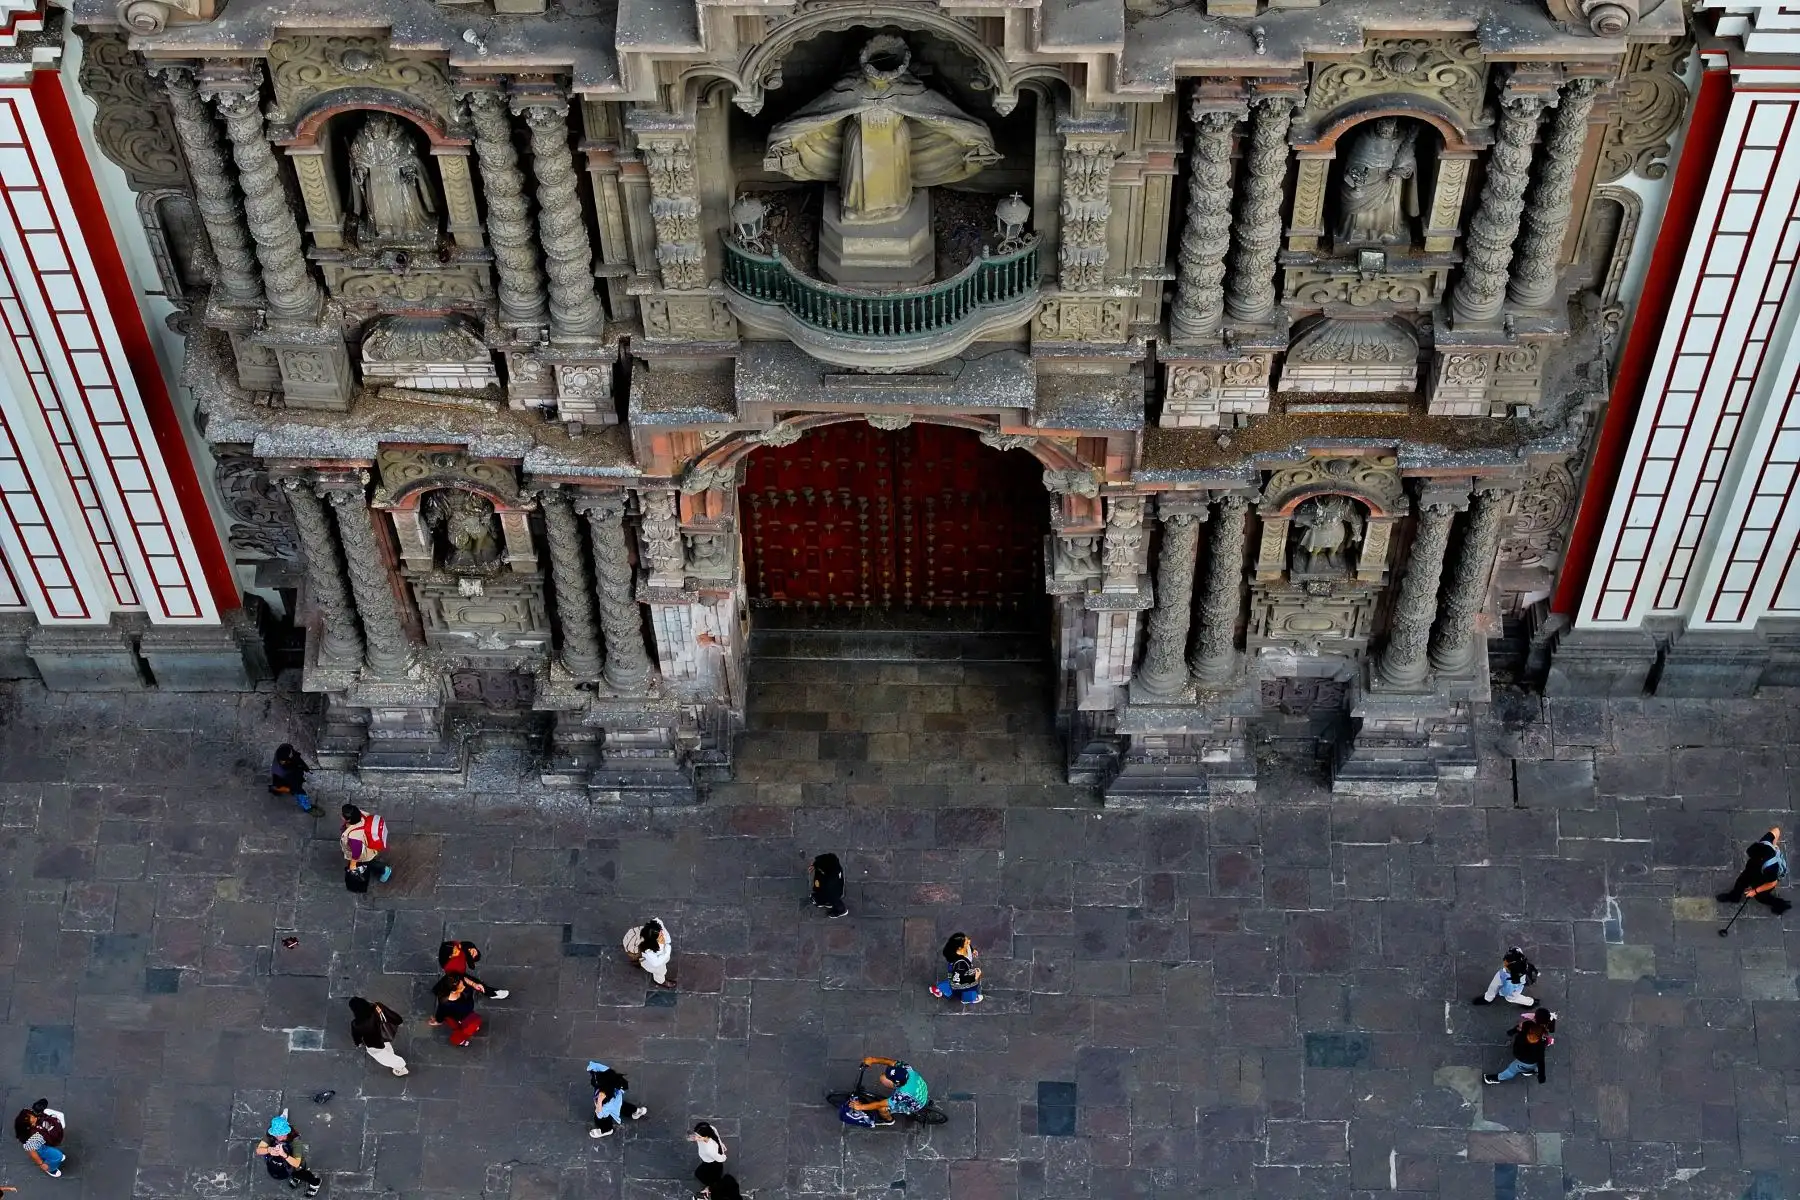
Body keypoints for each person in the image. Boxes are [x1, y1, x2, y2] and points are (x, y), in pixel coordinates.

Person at [1717, 827, 1791, 914]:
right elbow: (1777, 830)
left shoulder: (1771, 867)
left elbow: (1772, 883)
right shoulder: (1765, 842)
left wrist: (1754, 891)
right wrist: (1773, 845)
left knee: (1761, 897)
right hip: (1753, 869)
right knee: (1741, 881)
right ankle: (1734, 897)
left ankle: (1778, 904)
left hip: (1764, 877)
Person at [846, 1057, 929, 1126]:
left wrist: (860, 1107)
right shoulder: (906, 1068)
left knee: (882, 1109)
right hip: (918, 1089)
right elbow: (890, 1062)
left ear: (897, 1084)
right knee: (883, 1077)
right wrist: (873, 1060)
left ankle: (889, 1120)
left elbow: (879, 1104)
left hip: (916, 1104)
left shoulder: (901, 1094)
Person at [255, 1111, 322, 1196]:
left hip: (294, 1164)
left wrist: (284, 1155)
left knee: (301, 1174)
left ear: (286, 1132)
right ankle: (295, 1178)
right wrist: (269, 1150)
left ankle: (315, 1183)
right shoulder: (271, 1133)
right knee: (292, 1173)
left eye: (281, 1135)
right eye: (276, 1135)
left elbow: (296, 1163)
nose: (278, 1138)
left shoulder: (295, 1140)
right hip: (283, 1165)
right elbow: (259, 1150)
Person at [348, 996, 408, 1076]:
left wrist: (358, 1043)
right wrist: (398, 1020)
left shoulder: (356, 1024)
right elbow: (388, 1013)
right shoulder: (377, 1006)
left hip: (375, 1044)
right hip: (384, 1034)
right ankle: (393, 1056)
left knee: (384, 1058)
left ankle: (400, 1066)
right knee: (387, 1047)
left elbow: (357, 1037)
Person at [586, 1063, 648, 1138]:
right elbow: (604, 1069)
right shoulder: (613, 1083)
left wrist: (599, 1103)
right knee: (622, 1105)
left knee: (600, 1119)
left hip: (609, 1107)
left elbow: (600, 1113)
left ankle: (607, 1130)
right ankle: (636, 1111)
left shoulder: (605, 1104)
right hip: (617, 1102)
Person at [1484, 1018, 1550, 1085]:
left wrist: (1513, 1031)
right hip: (1532, 1062)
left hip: (1524, 1061)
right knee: (1533, 1066)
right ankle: (1530, 1071)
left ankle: (1495, 1078)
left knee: (1511, 1071)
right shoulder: (1541, 1042)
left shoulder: (1522, 1037)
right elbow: (1541, 1061)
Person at [340, 804, 393, 887]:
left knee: (368, 863)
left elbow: (357, 853)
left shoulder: (354, 838)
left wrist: (353, 864)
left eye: (342, 815)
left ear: (349, 820)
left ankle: (384, 869)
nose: (341, 816)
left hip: (366, 852)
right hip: (367, 843)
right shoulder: (361, 814)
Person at [439, 939, 509, 1000]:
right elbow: (462, 977)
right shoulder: (452, 967)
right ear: (450, 956)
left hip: (459, 968)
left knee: (476, 957)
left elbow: (463, 945)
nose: (458, 950)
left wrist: (472, 948)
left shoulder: (454, 945)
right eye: (455, 952)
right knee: (476, 983)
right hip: (457, 974)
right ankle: (492, 993)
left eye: (456, 948)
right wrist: (474, 984)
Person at [1471, 947, 1537, 1007]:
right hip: (1510, 982)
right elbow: (1517, 949)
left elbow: (1507, 991)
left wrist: (1502, 992)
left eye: (1506, 962)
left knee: (1510, 997)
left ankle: (1530, 1002)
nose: (1504, 961)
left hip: (1511, 986)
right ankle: (1488, 998)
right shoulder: (1521, 964)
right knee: (1495, 987)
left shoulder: (1510, 979)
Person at [14, 1101, 65, 1178]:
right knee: (57, 1156)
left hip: (42, 1142)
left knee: (49, 1150)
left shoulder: (26, 1117)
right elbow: (32, 1151)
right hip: (40, 1147)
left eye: (33, 1116)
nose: (36, 1118)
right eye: (33, 1120)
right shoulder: (33, 1138)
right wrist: (41, 1164)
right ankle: (51, 1169)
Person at [929, 932, 983, 1005]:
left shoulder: (965, 949)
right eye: (966, 943)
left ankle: (939, 989)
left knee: (952, 983)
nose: (969, 942)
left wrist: (972, 951)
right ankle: (967, 998)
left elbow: (969, 947)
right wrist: (975, 976)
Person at [429, 973, 482, 1046]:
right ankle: (460, 1041)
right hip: (465, 1019)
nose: (464, 985)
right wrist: (438, 1020)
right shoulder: (447, 1003)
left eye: (462, 982)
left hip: (459, 1015)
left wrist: (474, 984)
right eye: (461, 986)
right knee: (463, 1032)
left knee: (454, 1023)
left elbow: (463, 978)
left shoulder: (453, 982)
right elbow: (441, 1012)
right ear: (453, 991)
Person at [623, 918, 674, 988]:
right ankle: (660, 981)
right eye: (659, 937)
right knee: (660, 972)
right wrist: (667, 947)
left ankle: (636, 961)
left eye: (661, 933)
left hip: (645, 957)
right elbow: (657, 962)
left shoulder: (653, 931)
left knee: (640, 959)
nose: (662, 935)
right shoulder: (649, 951)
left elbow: (658, 922)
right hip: (653, 963)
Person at [270, 744, 313, 813]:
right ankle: (276, 789)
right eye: (283, 761)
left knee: (296, 775)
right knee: (288, 788)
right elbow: (296, 787)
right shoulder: (278, 771)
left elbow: (297, 758)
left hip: (289, 769)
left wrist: (305, 767)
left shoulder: (287, 748)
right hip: (282, 778)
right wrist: (300, 793)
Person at [690, 1122, 728, 1191]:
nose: (696, 1138)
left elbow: (720, 1159)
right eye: (695, 1134)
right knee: (703, 1173)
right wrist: (721, 1144)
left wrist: (723, 1157)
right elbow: (717, 1137)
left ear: (706, 1136)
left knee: (701, 1174)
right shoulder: (711, 1129)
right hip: (710, 1160)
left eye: (698, 1137)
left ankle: (711, 1187)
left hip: (711, 1163)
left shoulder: (709, 1150)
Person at [811, 853, 849, 918]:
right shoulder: (834, 865)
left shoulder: (831, 883)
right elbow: (830, 857)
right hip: (826, 886)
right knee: (822, 892)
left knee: (832, 898)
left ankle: (840, 910)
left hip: (830, 892)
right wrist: (816, 865)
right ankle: (823, 901)